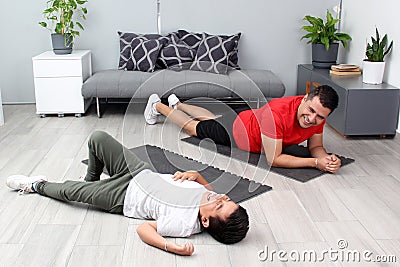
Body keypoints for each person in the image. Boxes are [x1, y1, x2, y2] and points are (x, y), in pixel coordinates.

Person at [5, 131, 249, 256]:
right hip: (139, 172)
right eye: (226, 199)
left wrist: (169, 247)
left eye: (220, 204)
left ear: (204, 221)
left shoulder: (184, 223)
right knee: (97, 138)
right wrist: (196, 175)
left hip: (122, 195)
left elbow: (144, 229)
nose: (220, 197)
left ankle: (36, 185)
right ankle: (91, 180)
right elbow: (209, 191)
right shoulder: (214, 200)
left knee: (68, 191)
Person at [144, 85, 341, 173]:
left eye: (320, 117)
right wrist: (315, 163)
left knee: (211, 119)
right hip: (237, 132)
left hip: (248, 117)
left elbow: (315, 146)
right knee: (194, 128)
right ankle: (157, 105)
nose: (312, 118)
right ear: (305, 98)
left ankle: (178, 104)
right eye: (311, 110)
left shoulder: (318, 115)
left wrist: (325, 158)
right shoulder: (277, 113)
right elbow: (274, 159)